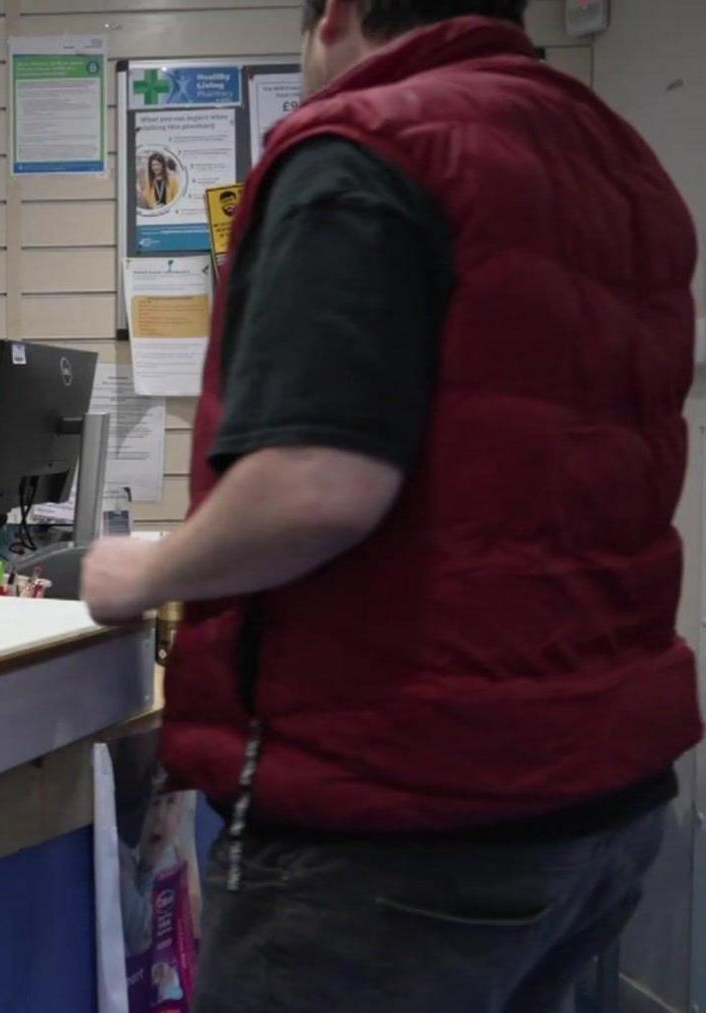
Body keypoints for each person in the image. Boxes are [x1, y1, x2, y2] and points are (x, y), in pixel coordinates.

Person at [81, 1, 699, 1009]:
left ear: (335, 15)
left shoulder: (364, 146)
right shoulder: (618, 159)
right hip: (605, 798)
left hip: (402, 818)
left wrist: (139, 573)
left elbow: (318, 486)